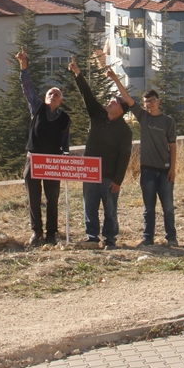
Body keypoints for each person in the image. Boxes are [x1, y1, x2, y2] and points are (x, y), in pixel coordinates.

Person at [106, 65, 178, 246]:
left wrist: (173, 169)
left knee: (168, 207)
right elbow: (128, 99)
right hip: (147, 171)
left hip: (165, 171)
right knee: (148, 208)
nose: (149, 104)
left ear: (158, 101)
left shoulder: (168, 121)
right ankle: (148, 238)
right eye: (146, 102)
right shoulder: (143, 117)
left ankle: (171, 237)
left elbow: (173, 146)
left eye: (152, 100)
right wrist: (115, 79)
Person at [68, 54, 133, 249]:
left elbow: (125, 156)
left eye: (114, 102)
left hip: (109, 177)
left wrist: (118, 180)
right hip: (90, 173)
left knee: (110, 210)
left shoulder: (124, 130)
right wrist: (77, 73)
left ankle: (110, 239)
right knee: (90, 207)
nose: (110, 102)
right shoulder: (97, 116)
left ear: (120, 110)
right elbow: (87, 95)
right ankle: (92, 237)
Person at [17, 47, 70, 246]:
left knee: (52, 199)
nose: (52, 96)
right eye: (50, 93)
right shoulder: (37, 108)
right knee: (34, 198)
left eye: (56, 94)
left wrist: (64, 160)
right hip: (34, 159)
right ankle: (36, 232)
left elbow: (65, 142)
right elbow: (27, 87)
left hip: (53, 162)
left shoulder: (64, 118)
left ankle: (51, 234)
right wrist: (24, 65)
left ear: (61, 100)